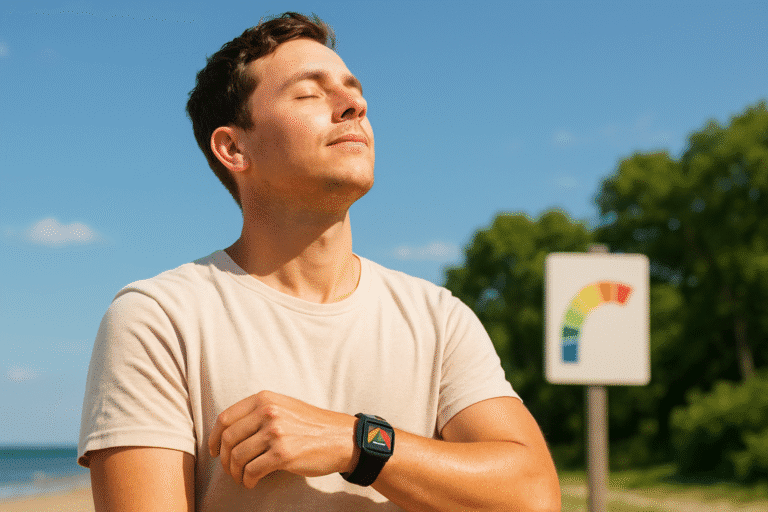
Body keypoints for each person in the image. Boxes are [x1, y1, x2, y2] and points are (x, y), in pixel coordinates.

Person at [78, 12, 561, 512]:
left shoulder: (437, 317)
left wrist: (356, 442)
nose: (355, 104)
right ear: (233, 147)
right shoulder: (159, 317)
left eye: (352, 90)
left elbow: (534, 495)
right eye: (309, 93)